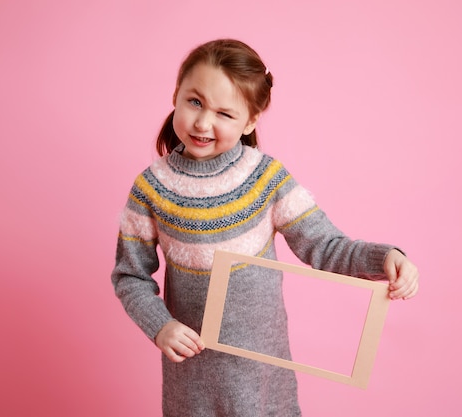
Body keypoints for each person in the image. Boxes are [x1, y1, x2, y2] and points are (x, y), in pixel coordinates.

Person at [111, 38, 419, 417]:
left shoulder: (265, 178)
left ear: (251, 120)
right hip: (193, 378)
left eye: (225, 113)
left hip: (263, 377)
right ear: (176, 94)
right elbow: (130, 276)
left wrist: (386, 256)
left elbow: (326, 246)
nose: (204, 123)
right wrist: (160, 326)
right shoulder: (151, 189)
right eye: (194, 102)